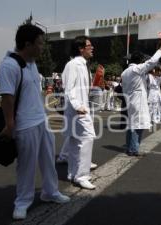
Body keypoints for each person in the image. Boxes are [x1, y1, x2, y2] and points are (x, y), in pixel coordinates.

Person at [0, 24, 70, 220]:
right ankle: (22, 202)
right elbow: (7, 98)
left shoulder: (31, 63)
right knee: (26, 166)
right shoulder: (9, 65)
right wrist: (10, 124)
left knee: (48, 161)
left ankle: (50, 192)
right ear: (27, 44)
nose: (42, 47)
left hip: (41, 120)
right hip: (24, 124)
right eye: (39, 44)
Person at [121, 38, 161, 156]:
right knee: (138, 125)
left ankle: (130, 147)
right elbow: (152, 62)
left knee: (132, 124)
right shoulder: (137, 69)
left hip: (130, 100)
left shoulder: (125, 72)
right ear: (140, 61)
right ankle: (133, 149)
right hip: (138, 100)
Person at [61, 36, 96, 190]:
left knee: (75, 142)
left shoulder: (83, 65)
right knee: (87, 138)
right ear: (81, 48)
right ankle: (82, 175)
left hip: (80, 107)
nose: (92, 47)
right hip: (78, 109)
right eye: (89, 45)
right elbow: (68, 88)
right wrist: (77, 105)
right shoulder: (73, 65)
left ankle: (73, 173)